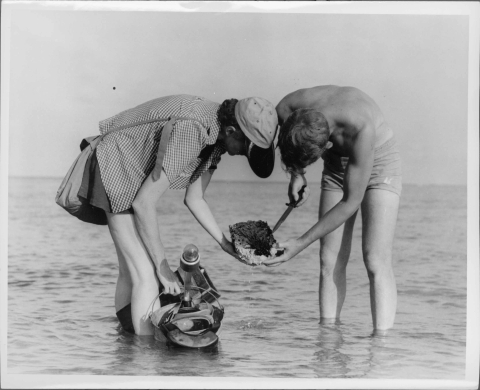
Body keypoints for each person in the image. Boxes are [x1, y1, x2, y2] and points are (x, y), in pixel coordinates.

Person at [79, 94, 278, 335]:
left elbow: (195, 198)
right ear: (231, 130)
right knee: (147, 274)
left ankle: (128, 343)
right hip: (114, 164)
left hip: (129, 170)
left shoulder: (216, 139)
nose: (241, 156)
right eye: (245, 148)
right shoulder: (194, 130)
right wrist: (162, 267)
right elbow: (144, 204)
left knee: (132, 270)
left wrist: (225, 244)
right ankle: (145, 356)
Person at [264, 86, 401, 332]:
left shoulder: (360, 127)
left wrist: (299, 243)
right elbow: (280, 114)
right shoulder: (294, 104)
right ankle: (327, 341)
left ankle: (381, 345)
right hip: (337, 165)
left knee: (375, 259)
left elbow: (350, 202)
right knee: (329, 258)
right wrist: (297, 174)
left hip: (379, 160)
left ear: (325, 146)